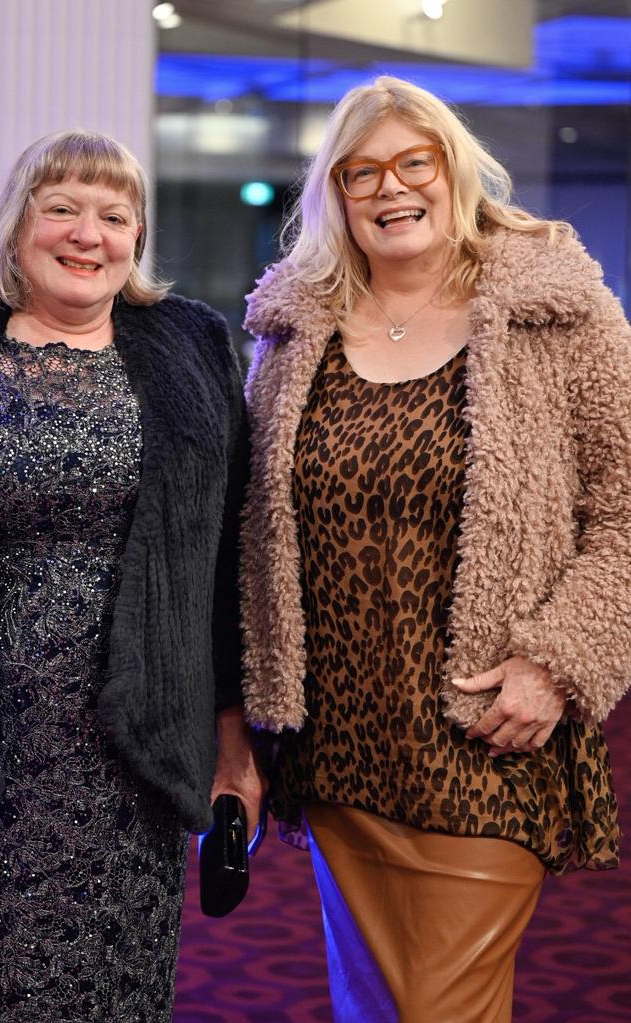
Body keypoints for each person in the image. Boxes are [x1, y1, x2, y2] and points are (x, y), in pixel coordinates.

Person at [240, 75, 631, 1023]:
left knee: (434, 1007)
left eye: (413, 163)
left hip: (487, 733)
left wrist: (556, 663)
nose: (389, 187)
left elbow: (625, 509)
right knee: (376, 1003)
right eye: (360, 172)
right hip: (339, 748)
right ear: (334, 196)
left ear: (455, 172)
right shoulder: (295, 333)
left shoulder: (558, 314)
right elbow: (252, 533)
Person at [0, 129, 263, 1023]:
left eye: (116, 215)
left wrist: (236, 743)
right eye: (64, 208)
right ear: (18, 227)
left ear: (137, 238)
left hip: (133, 750)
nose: (90, 233)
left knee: (106, 989)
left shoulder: (191, 349)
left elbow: (227, 568)